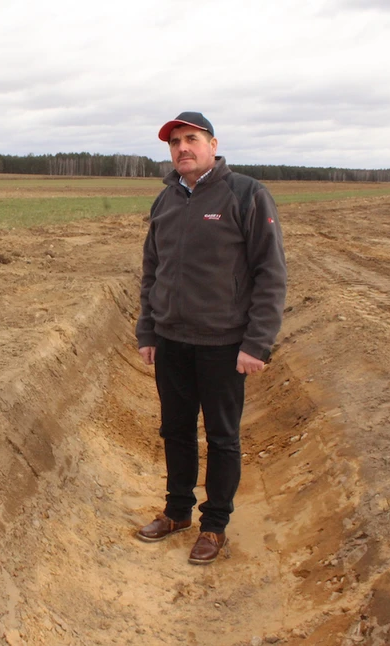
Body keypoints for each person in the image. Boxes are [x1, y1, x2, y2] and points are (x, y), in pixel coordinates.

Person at [134, 111, 287, 565]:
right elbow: (151, 272)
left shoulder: (246, 194)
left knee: (222, 437)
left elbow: (270, 273)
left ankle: (214, 524)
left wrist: (257, 342)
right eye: (175, 142)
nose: (182, 148)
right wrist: (149, 329)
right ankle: (177, 511)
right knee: (175, 430)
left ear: (213, 144)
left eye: (191, 139)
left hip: (224, 343)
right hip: (172, 340)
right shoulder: (165, 201)